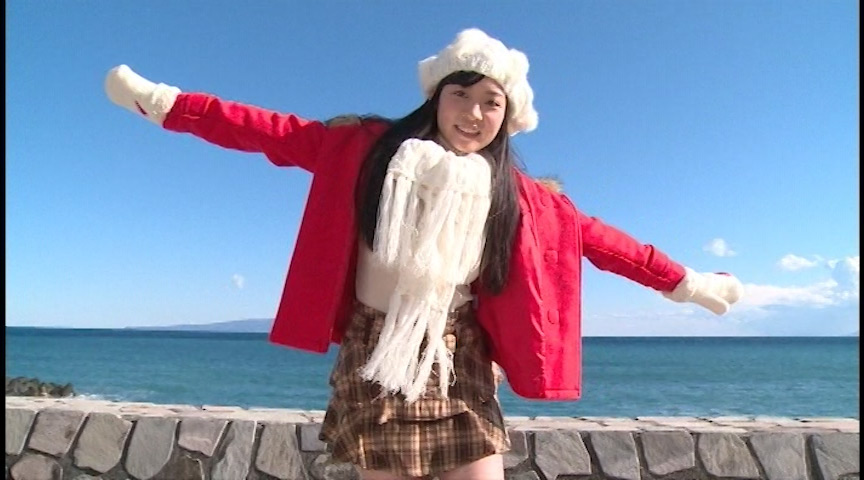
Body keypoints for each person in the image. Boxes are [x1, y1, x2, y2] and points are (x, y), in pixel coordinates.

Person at [104, 28, 743, 480]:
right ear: (436, 96)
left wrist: (687, 283)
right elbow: (268, 131)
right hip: (379, 348)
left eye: (491, 102)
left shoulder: (519, 196)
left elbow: (606, 242)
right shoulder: (366, 148)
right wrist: (165, 104)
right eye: (460, 94)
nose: (473, 112)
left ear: (507, 118)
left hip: (458, 353)